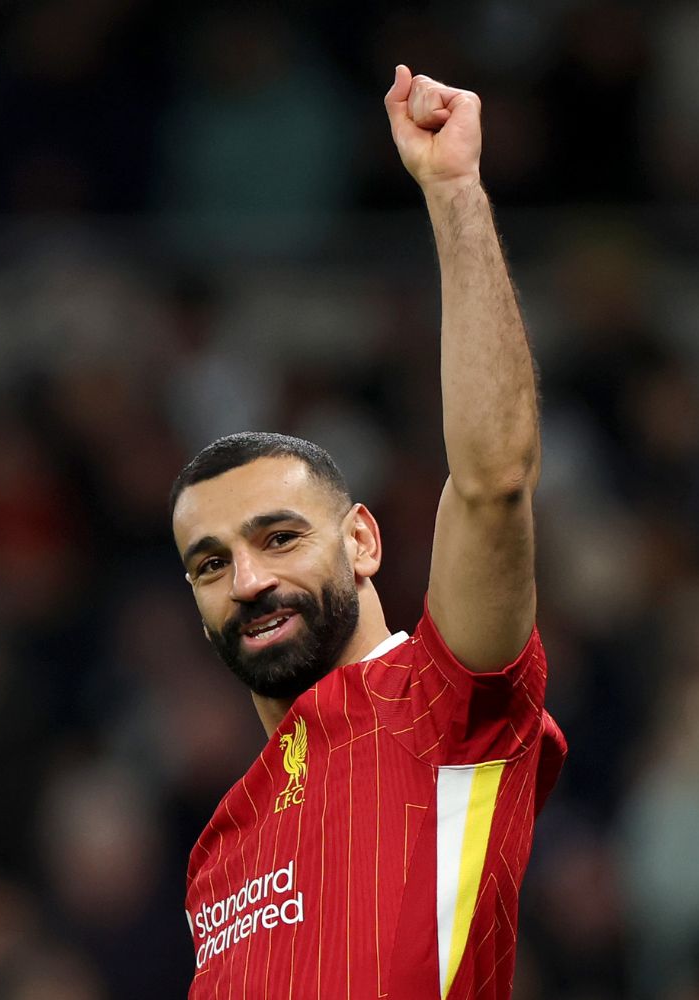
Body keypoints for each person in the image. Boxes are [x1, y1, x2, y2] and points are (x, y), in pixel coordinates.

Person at [168, 66, 566, 998]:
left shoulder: (443, 698)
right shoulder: (217, 848)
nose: (249, 581)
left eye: (278, 538)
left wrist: (454, 193)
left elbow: (495, 480)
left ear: (362, 541)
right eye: (211, 563)